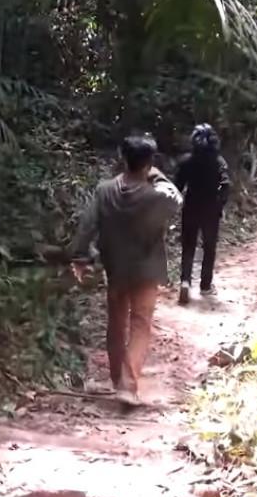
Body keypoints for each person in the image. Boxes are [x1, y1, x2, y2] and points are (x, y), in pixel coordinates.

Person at [69, 134, 183, 406]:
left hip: (115, 266)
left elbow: (87, 226)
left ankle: (116, 379)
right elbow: (177, 199)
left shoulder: (105, 189)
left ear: (122, 158)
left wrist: (80, 257)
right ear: (150, 162)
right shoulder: (156, 193)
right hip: (146, 268)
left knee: (116, 323)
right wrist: (157, 175)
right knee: (141, 324)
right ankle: (128, 385)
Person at [174, 123, 230, 305]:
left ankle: (185, 281)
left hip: (190, 207)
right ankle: (205, 286)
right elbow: (226, 185)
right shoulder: (219, 162)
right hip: (211, 210)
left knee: (188, 247)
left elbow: (177, 187)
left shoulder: (186, 161)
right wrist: (220, 203)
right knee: (209, 247)